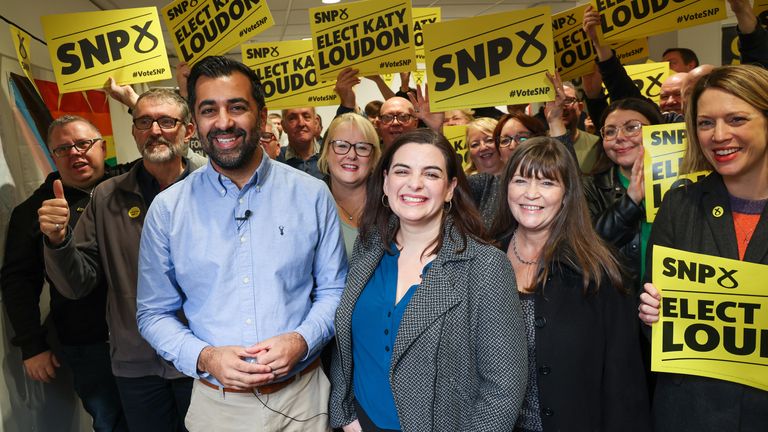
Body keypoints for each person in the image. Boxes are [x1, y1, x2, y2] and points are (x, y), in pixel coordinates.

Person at [136, 56, 347, 432]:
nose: (223, 122)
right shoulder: (168, 209)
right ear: (194, 125)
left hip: (304, 401)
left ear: (261, 117)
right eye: (208, 110)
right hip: (217, 407)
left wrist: (302, 339)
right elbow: (153, 313)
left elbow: (334, 290)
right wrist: (206, 356)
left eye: (237, 107)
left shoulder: (313, 194)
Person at [329, 129, 527, 432]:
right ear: (385, 181)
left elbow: (503, 387)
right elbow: (346, 341)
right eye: (402, 171)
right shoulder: (368, 247)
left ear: (450, 188)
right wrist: (345, 415)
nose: (415, 183)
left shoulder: (485, 265)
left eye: (431, 174)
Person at [41, 88, 202, 432]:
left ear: (189, 130)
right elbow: (76, 283)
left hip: (201, 358)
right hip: (137, 365)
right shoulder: (107, 196)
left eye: (166, 121)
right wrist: (58, 241)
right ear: (133, 132)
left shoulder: (213, 188)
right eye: (144, 121)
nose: (155, 130)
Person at [638, 64, 768, 431]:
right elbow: (659, 326)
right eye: (706, 123)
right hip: (691, 412)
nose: (719, 135)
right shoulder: (680, 206)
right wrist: (652, 315)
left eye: (737, 119)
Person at [490, 137, 650, 431]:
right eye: (521, 180)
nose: (532, 194)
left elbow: (623, 385)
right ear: (506, 187)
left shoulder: (598, 271)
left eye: (548, 183)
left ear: (566, 194)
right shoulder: (485, 262)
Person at [1, 115, 126, 431]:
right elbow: (18, 282)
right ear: (52, 155)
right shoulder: (34, 211)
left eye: (84, 143)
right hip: (87, 342)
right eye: (63, 148)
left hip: (147, 336)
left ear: (102, 146)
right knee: (111, 422)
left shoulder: (132, 185)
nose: (76, 153)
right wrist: (32, 346)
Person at [584, 98, 665, 291]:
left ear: (656, 131)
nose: (619, 137)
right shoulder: (589, 186)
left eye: (632, 127)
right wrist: (630, 202)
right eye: (610, 131)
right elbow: (587, 246)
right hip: (620, 304)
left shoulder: (685, 182)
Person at [317, 113, 381, 255]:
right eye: (342, 145)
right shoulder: (309, 207)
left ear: (374, 157)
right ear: (326, 152)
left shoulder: (391, 208)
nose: (351, 155)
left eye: (362, 147)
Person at [278, 107, 324, 179]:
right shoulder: (276, 159)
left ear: (316, 122)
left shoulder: (329, 156)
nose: (301, 123)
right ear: (284, 126)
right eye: (292, 118)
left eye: (306, 117)